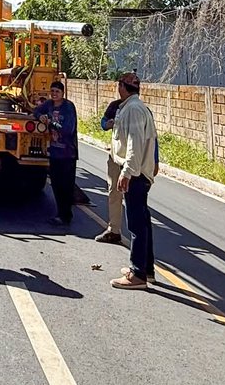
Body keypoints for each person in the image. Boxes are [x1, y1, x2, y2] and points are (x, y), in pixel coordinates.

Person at [109, 71, 158, 290]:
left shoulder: (134, 110)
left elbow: (134, 144)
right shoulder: (132, 107)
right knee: (143, 222)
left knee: (136, 224)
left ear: (123, 87)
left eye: (119, 85)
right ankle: (146, 269)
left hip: (136, 175)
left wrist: (127, 172)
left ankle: (137, 274)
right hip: (137, 172)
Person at [33, 80, 78, 228]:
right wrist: (40, 117)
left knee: (66, 186)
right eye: (52, 91)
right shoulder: (50, 105)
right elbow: (37, 110)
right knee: (57, 185)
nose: (54, 94)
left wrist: (51, 122)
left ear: (63, 93)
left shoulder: (68, 107)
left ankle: (66, 215)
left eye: (57, 92)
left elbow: (68, 129)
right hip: (55, 152)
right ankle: (60, 214)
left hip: (67, 153)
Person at [95, 92, 123, 243]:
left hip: (133, 160)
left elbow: (151, 136)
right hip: (116, 158)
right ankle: (114, 230)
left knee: (133, 197)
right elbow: (103, 122)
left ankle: (137, 235)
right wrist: (107, 124)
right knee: (114, 192)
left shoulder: (139, 111)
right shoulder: (115, 106)